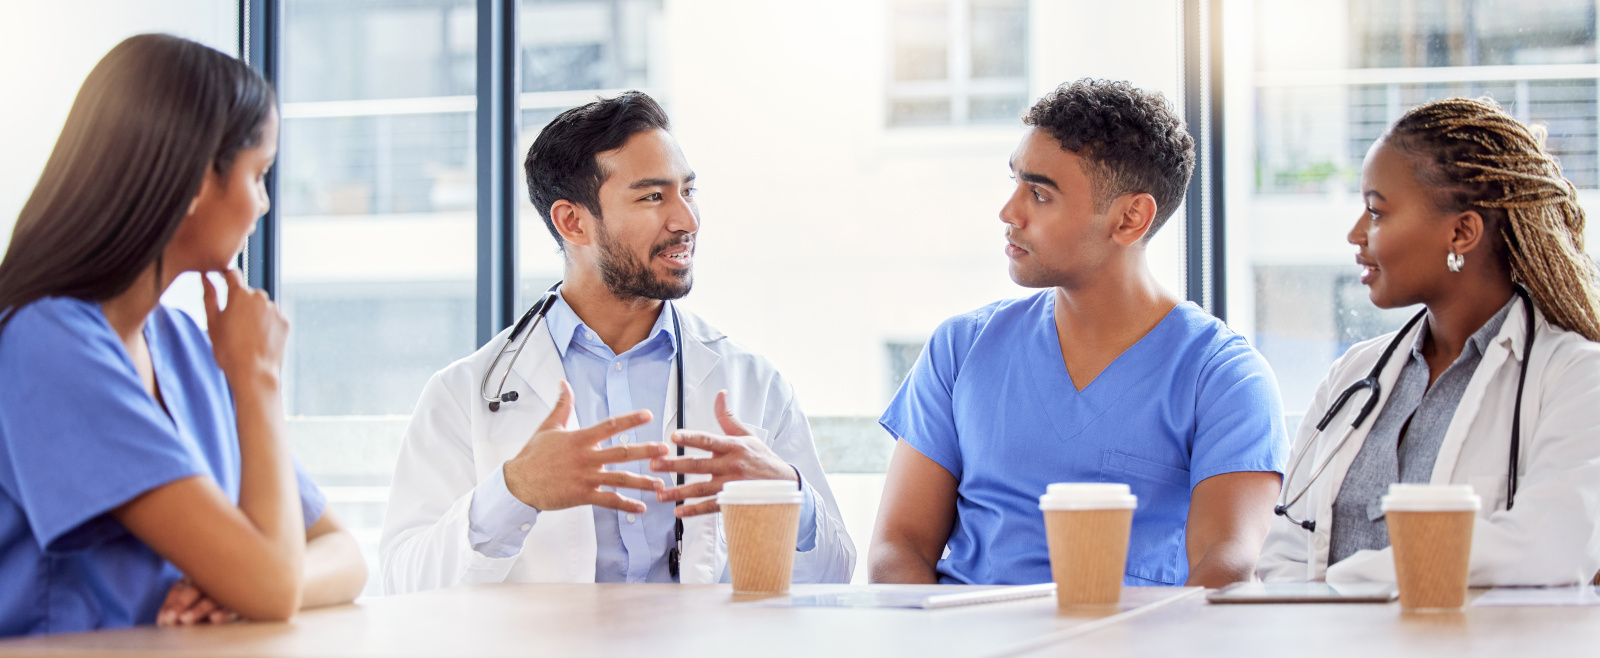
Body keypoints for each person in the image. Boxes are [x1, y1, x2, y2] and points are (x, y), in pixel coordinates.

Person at [380, 92, 853, 590]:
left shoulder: (753, 383)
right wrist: (514, 491)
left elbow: (835, 575)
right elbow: (403, 585)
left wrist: (787, 496)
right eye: (653, 197)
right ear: (573, 222)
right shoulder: (463, 394)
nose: (686, 221)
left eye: (687, 191)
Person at [0, 34, 366, 637]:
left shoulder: (187, 346)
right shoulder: (48, 344)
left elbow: (343, 554)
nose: (263, 204)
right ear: (198, 181)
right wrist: (259, 381)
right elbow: (272, 584)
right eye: (259, 174)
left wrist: (239, 585)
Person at [870, 79, 1287, 588]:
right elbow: (899, 547)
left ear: (1131, 218)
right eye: (1016, 183)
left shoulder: (1224, 378)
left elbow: (1225, 570)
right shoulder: (961, 348)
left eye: (1040, 193)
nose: (1009, 212)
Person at [1257, 97, 1600, 585]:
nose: (1357, 234)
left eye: (1376, 212)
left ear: (1461, 232)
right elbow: (1282, 556)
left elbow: (1548, 549)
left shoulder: (1575, 377)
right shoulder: (1353, 375)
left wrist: (1343, 589)